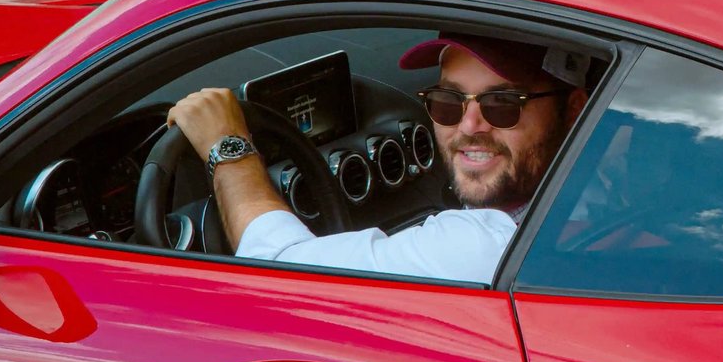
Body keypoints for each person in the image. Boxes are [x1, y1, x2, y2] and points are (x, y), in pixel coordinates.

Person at [167, 33, 589, 283]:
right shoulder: (605, 189)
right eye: (447, 101)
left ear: (573, 111)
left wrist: (229, 148)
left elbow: (279, 269)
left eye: (503, 104)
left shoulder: (483, 247)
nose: (468, 125)